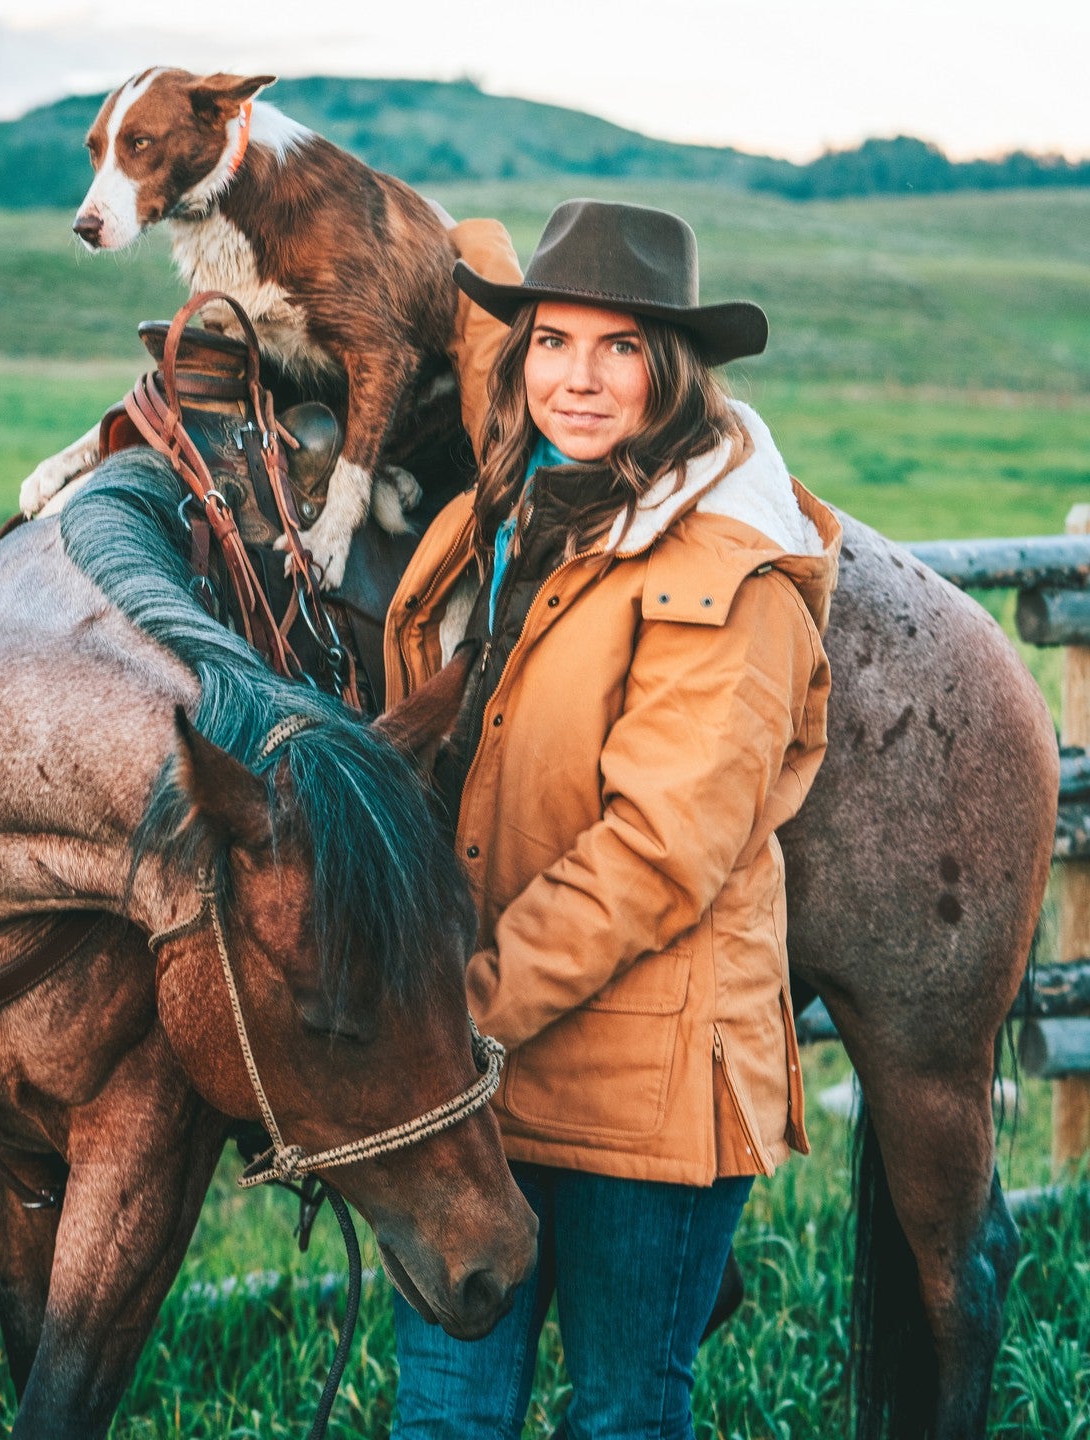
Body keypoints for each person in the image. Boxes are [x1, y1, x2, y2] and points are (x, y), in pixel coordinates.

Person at [382, 200, 842, 1439]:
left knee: (624, 1411)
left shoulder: (728, 573)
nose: (576, 378)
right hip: (478, 1070)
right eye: (551, 341)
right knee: (441, 1412)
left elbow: (657, 853)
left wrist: (455, 1016)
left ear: (672, 370)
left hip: (642, 1080)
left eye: (618, 347)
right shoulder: (500, 522)